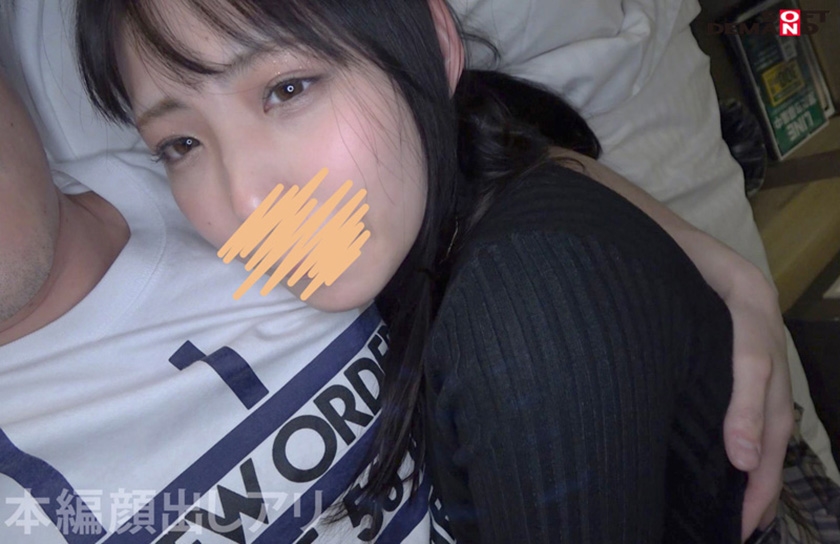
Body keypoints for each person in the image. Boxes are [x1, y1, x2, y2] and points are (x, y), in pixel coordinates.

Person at [71, 0, 798, 542]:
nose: (247, 202)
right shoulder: (436, 214)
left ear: (435, 43)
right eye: (181, 143)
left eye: (288, 89)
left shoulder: (528, 323)